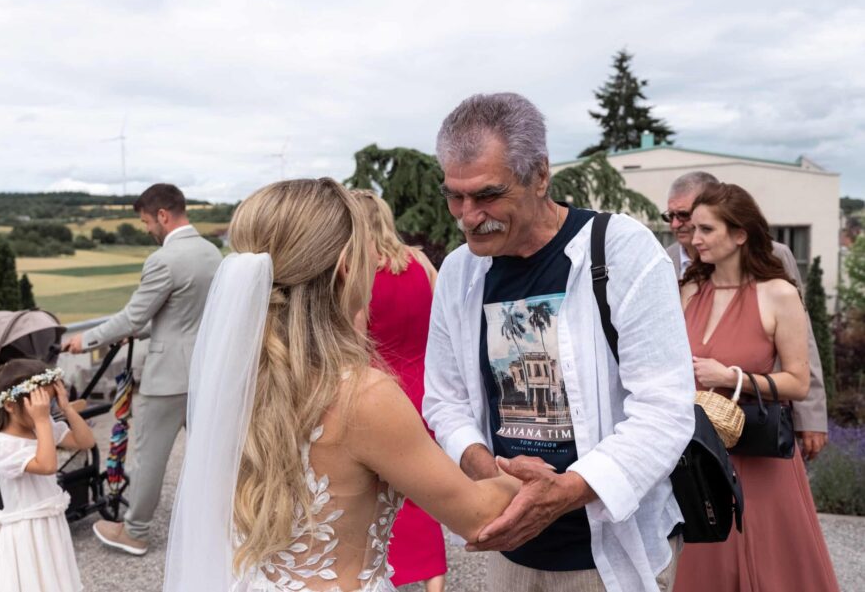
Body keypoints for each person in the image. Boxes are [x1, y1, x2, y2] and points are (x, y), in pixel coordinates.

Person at [163, 178, 520, 592]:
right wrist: (529, 476)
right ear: (347, 265)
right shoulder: (363, 397)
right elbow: (476, 516)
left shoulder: (234, 380)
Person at [422, 92, 695, 592]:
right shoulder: (460, 272)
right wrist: (491, 472)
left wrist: (564, 492)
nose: (466, 216)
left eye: (487, 195)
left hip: (609, 552)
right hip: (512, 544)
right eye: (454, 196)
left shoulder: (620, 250)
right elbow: (444, 398)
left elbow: (664, 409)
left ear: (541, 175)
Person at [673, 182, 839, 592]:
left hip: (761, 457)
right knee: (704, 567)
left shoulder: (779, 294)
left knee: (775, 569)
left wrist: (732, 378)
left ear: (740, 234)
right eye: (692, 229)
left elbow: (798, 382)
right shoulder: (689, 290)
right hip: (702, 458)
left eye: (706, 230)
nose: (694, 239)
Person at [62, 183, 222, 555]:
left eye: (147, 221)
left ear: (163, 216)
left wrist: (85, 340)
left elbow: (133, 315)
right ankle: (221, 524)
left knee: (149, 457)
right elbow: (182, 316)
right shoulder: (212, 253)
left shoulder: (164, 260)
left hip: (167, 378)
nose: (148, 229)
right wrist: (140, 330)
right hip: (204, 371)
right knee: (210, 452)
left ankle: (135, 532)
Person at [662, 171, 829, 460]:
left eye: (686, 217)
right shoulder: (673, 270)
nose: (681, 227)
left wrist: (809, 419)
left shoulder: (776, 273)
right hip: (693, 441)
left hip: (755, 435)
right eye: (670, 216)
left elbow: (803, 351)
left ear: (739, 234)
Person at [350, 189, 446, 592]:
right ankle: (435, 584)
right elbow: (443, 325)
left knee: (382, 492)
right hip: (426, 385)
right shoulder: (421, 261)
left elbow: (354, 345)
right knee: (429, 489)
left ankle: (383, 575)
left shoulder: (360, 272)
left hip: (382, 391)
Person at [0, 359, 96, 592]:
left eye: (48, 403)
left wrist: (67, 409)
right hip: (26, 532)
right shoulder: (3, 443)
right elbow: (47, 465)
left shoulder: (40, 426)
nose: (45, 410)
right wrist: (42, 420)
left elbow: (86, 441)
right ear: (11, 406)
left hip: (50, 524)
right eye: (38, 405)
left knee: (54, 580)